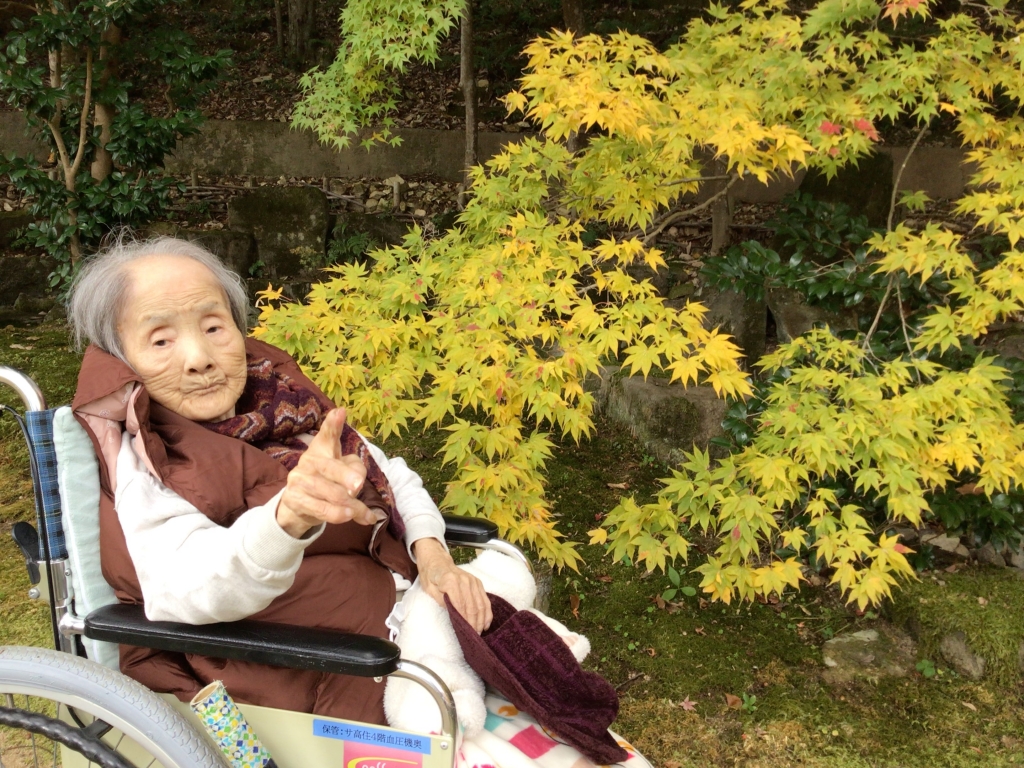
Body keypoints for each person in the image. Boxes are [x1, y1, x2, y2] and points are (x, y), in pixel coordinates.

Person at [67, 236, 492, 725]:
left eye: (213, 326)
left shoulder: (284, 405)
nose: (199, 357)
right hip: (302, 689)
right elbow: (188, 588)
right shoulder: (147, 460)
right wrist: (285, 521)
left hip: (407, 643)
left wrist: (433, 556)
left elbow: (393, 475)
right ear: (124, 361)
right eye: (161, 340)